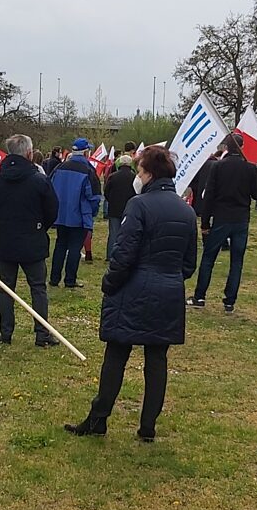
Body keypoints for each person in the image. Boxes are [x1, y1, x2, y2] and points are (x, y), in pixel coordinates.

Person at [64, 146, 197, 441]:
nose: (137, 176)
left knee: (116, 355)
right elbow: (189, 263)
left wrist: (110, 283)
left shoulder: (139, 205)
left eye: (139, 171)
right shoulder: (187, 211)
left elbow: (123, 253)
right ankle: (148, 425)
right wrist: (169, 276)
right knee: (156, 359)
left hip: (133, 289)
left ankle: (99, 417)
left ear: (148, 173)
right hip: (168, 292)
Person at [0, 134, 59, 346]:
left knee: (6, 288)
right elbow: (52, 209)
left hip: (6, 240)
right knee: (38, 287)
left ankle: (6, 333)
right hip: (32, 241)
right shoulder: (38, 179)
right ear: (29, 153)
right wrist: (39, 228)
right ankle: (41, 333)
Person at [189, 135, 257, 313]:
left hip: (221, 218)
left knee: (208, 258)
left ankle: (200, 296)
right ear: (242, 147)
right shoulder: (250, 168)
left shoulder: (218, 166)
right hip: (241, 219)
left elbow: (209, 195)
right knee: (236, 261)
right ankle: (230, 301)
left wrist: (205, 222)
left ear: (226, 147)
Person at [48, 138, 101, 288]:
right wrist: (91, 213)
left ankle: (54, 279)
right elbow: (94, 197)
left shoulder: (59, 168)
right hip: (79, 216)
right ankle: (70, 280)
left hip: (61, 215)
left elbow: (49, 188)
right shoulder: (89, 171)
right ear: (86, 152)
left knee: (60, 245)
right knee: (74, 248)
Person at [103, 154, 138, 260]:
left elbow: (106, 192)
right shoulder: (134, 177)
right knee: (127, 234)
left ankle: (110, 255)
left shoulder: (112, 176)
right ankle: (125, 255)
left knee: (113, 233)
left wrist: (111, 201)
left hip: (114, 208)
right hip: (129, 209)